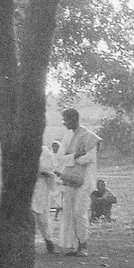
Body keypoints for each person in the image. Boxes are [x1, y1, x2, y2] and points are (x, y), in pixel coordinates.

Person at [56, 108, 101, 257]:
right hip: (70, 178)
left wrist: (73, 158)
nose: (64, 123)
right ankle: (73, 245)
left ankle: (83, 245)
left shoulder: (88, 136)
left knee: (79, 212)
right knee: (69, 212)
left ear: (75, 119)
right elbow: (60, 158)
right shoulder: (67, 137)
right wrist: (75, 156)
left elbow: (89, 158)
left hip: (84, 180)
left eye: (66, 120)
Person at [33, 143, 57, 253]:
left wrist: (40, 172)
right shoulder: (21, 149)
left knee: (42, 216)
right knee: (30, 215)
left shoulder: (45, 151)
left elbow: (49, 168)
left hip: (41, 186)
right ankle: (29, 243)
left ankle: (48, 239)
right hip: (27, 186)